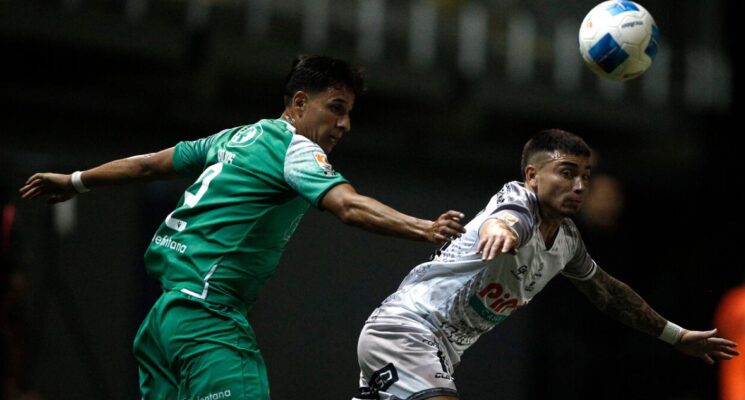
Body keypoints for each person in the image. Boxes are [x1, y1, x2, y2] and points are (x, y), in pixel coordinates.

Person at [19, 55, 465, 400]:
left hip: (161, 325)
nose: (345, 124)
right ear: (299, 103)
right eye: (336, 108)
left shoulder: (234, 137)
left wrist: (76, 180)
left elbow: (147, 165)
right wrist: (424, 228)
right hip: (207, 322)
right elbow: (348, 206)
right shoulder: (294, 149)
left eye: (349, 112)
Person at [354, 129, 739, 400]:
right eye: (567, 173)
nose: (579, 187)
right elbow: (505, 218)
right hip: (407, 330)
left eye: (585, 177)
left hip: (436, 351)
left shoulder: (568, 241)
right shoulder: (517, 199)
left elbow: (608, 293)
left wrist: (676, 336)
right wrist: (499, 230)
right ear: (533, 175)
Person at [714, 272, 745, 400]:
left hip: (736, 360)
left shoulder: (734, 299)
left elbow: (721, 330)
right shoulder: (736, 299)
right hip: (737, 362)